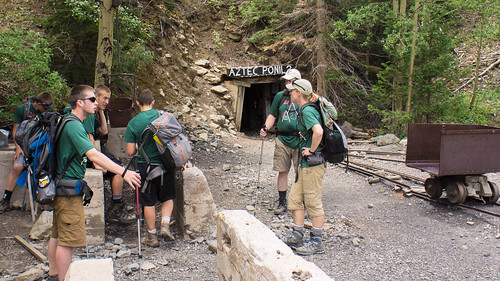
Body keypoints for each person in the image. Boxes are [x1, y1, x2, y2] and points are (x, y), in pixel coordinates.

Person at [47, 85, 141, 281]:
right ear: (80, 102)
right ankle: (62, 278)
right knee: (67, 241)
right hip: (69, 191)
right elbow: (92, 153)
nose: (96, 103)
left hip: (62, 186)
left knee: (57, 234)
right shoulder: (73, 125)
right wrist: (123, 172)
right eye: (92, 99)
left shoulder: (69, 121)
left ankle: (53, 273)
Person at [125, 89, 176, 247]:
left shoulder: (133, 123)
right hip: (166, 164)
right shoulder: (163, 117)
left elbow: (130, 151)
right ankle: (165, 226)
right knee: (168, 197)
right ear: (153, 102)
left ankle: (152, 236)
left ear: (138, 103)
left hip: (145, 167)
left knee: (148, 201)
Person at [282, 79, 326, 256]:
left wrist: (312, 149)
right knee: (295, 199)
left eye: (292, 91)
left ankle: (317, 241)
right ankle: (297, 235)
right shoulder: (305, 108)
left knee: (313, 202)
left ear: (299, 93)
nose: (290, 93)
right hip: (304, 165)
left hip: (312, 165)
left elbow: (319, 131)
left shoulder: (307, 110)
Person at [86, 85, 135, 223]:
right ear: (96, 97)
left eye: (108, 99)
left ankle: (117, 203)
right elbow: (90, 138)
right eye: (104, 98)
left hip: (91, 153)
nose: (107, 102)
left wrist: (101, 111)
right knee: (118, 169)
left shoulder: (95, 112)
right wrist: (96, 162)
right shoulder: (88, 114)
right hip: (87, 156)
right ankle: (116, 206)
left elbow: (104, 131)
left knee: (117, 164)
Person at [0, 92, 54, 213]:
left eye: (49, 108)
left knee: (44, 169)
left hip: (40, 147)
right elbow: (15, 130)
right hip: (23, 145)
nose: (47, 110)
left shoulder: (47, 112)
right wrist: (18, 148)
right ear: (38, 103)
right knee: (17, 167)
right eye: (45, 108)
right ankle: (5, 200)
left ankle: (45, 200)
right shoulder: (23, 110)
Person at [260, 68, 301, 215]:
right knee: (282, 170)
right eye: (286, 80)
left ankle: (299, 202)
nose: (287, 83)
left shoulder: (304, 95)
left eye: (290, 80)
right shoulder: (280, 96)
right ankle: (282, 201)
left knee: (300, 172)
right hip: (282, 138)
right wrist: (266, 127)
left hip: (300, 139)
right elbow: (272, 114)